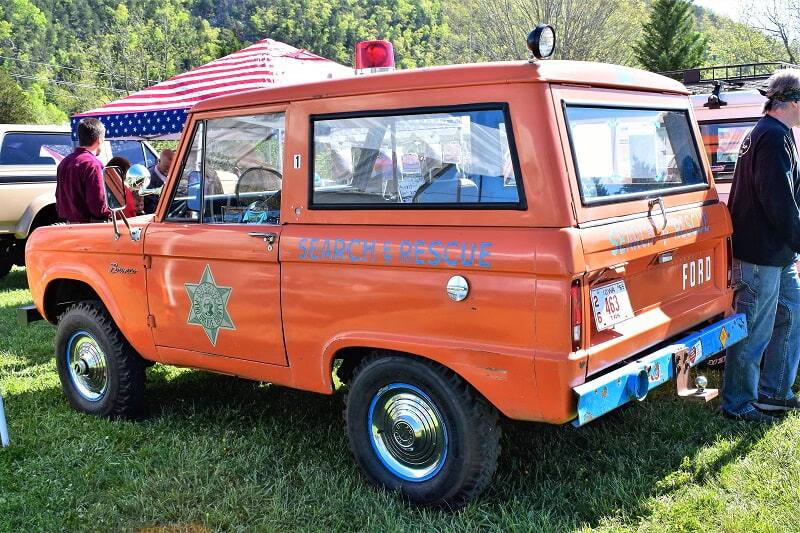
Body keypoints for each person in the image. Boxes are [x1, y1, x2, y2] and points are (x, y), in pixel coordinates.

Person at [722, 69, 800, 422]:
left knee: (793, 313)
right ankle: (738, 405)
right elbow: (778, 201)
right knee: (753, 329)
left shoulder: (777, 133)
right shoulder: (769, 137)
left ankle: (774, 394)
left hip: (777, 253)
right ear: (792, 102)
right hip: (760, 255)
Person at [55, 118, 111, 223]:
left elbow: (59, 197)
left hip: (68, 227)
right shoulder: (93, 165)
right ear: (99, 140)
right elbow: (98, 203)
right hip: (89, 228)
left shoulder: (64, 162)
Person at [144, 148, 174, 214]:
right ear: (159, 161)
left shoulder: (175, 173)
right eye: (166, 167)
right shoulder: (148, 179)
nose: (169, 170)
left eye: (171, 167)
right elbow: (150, 207)